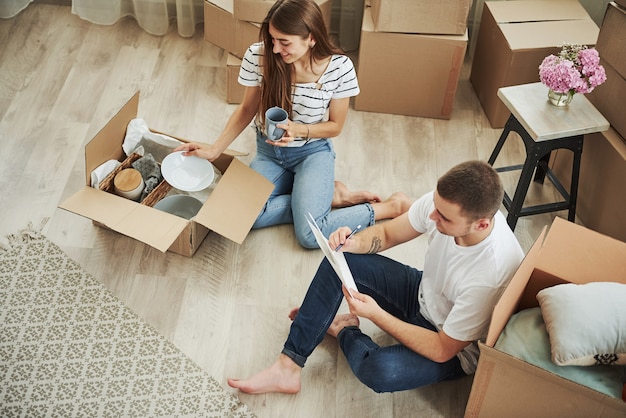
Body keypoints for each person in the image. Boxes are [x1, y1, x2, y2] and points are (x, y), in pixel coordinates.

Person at [227, 160, 525, 394]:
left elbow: (442, 348)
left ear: (482, 224)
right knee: (340, 259)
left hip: (451, 346)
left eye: (444, 218)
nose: (432, 217)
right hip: (423, 291)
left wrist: (376, 315)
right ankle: (289, 366)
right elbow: (386, 233)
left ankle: (344, 329)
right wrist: (353, 242)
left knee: (381, 371)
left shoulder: (489, 276)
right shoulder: (443, 206)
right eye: (434, 207)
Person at [174, 0, 410, 248]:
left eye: (284, 42)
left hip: (312, 153)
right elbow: (247, 109)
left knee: (309, 236)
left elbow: (335, 126)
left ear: (311, 38)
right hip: (269, 152)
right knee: (241, 217)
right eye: (273, 39)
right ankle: (327, 196)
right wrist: (214, 150)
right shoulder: (259, 55)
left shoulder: (339, 68)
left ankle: (390, 207)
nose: (276, 49)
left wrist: (299, 130)